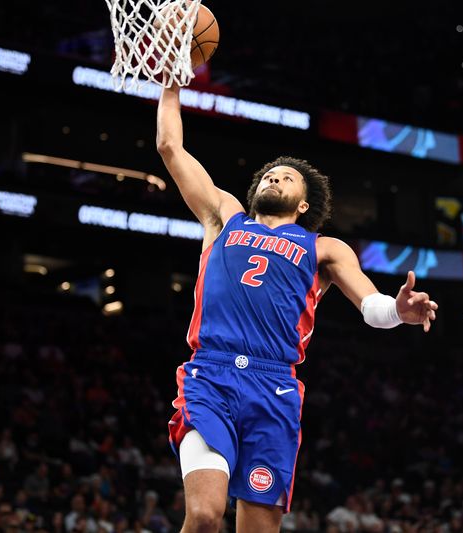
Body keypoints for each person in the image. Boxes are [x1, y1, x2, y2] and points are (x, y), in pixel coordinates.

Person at [157, 84, 438, 533]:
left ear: (304, 203)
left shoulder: (324, 248)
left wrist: (399, 311)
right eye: (270, 175)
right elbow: (171, 147)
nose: (275, 178)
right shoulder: (224, 217)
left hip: (274, 390)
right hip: (211, 375)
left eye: (286, 177)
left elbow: (371, 305)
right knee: (206, 514)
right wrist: (172, 82)